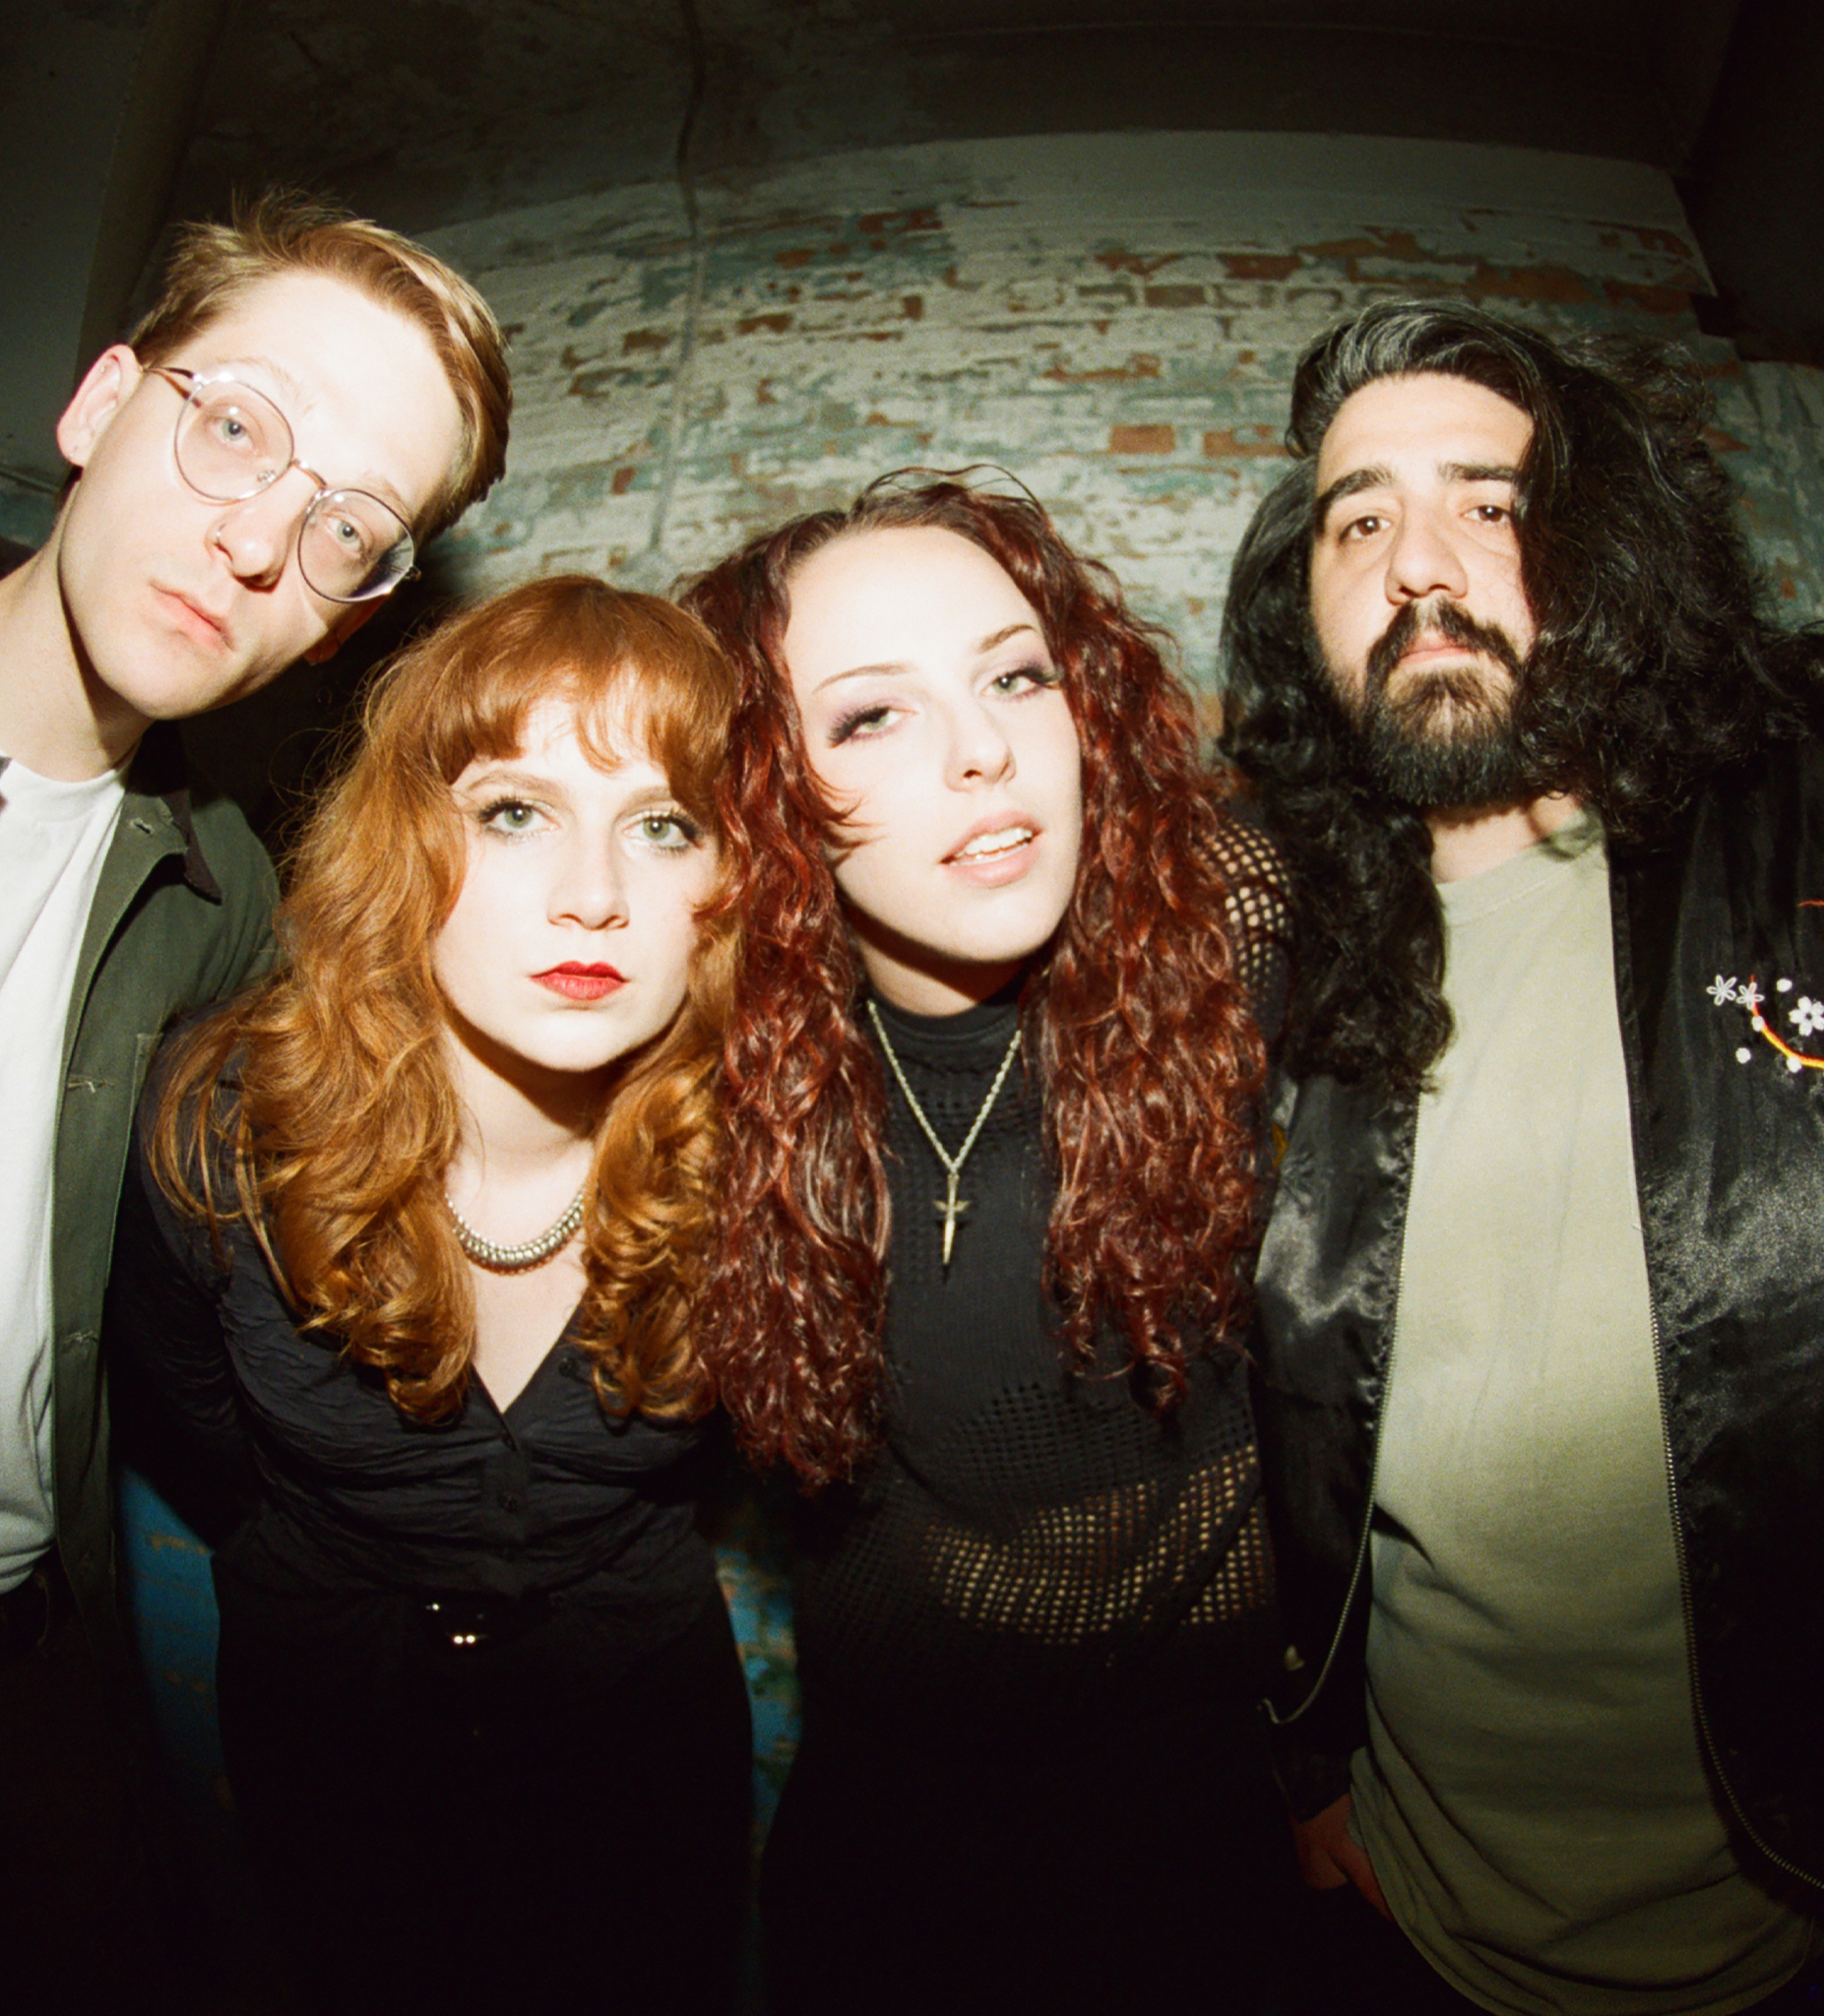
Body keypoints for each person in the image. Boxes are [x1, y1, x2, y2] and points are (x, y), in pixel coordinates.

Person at [0, 191, 510, 2009]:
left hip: (44, 1702)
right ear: (100, 401)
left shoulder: (228, 908)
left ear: (352, 617)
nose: (259, 538)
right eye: (238, 426)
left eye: (346, 527)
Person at [1220, 299, 1824, 2011]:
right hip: (1407, 1921)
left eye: (1489, 502)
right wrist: (1304, 1764)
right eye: (1357, 523)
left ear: (1605, 546)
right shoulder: (1280, 958)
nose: (1418, 563)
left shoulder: (1788, 831)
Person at [683, 472, 1296, 2014]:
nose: (983, 751)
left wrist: (1338, 1737)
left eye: (1016, 676)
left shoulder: (1235, 938)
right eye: (871, 716)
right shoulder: (722, 1071)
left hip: (1209, 1801)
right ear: (766, 792)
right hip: (894, 1820)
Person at [106, 576, 752, 2016]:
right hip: (328, 1728)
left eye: (664, 826)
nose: (593, 894)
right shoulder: (222, 1129)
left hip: (643, 1740)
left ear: (729, 888)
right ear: (410, 839)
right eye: (516, 810)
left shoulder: (772, 1165)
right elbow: (188, 1419)